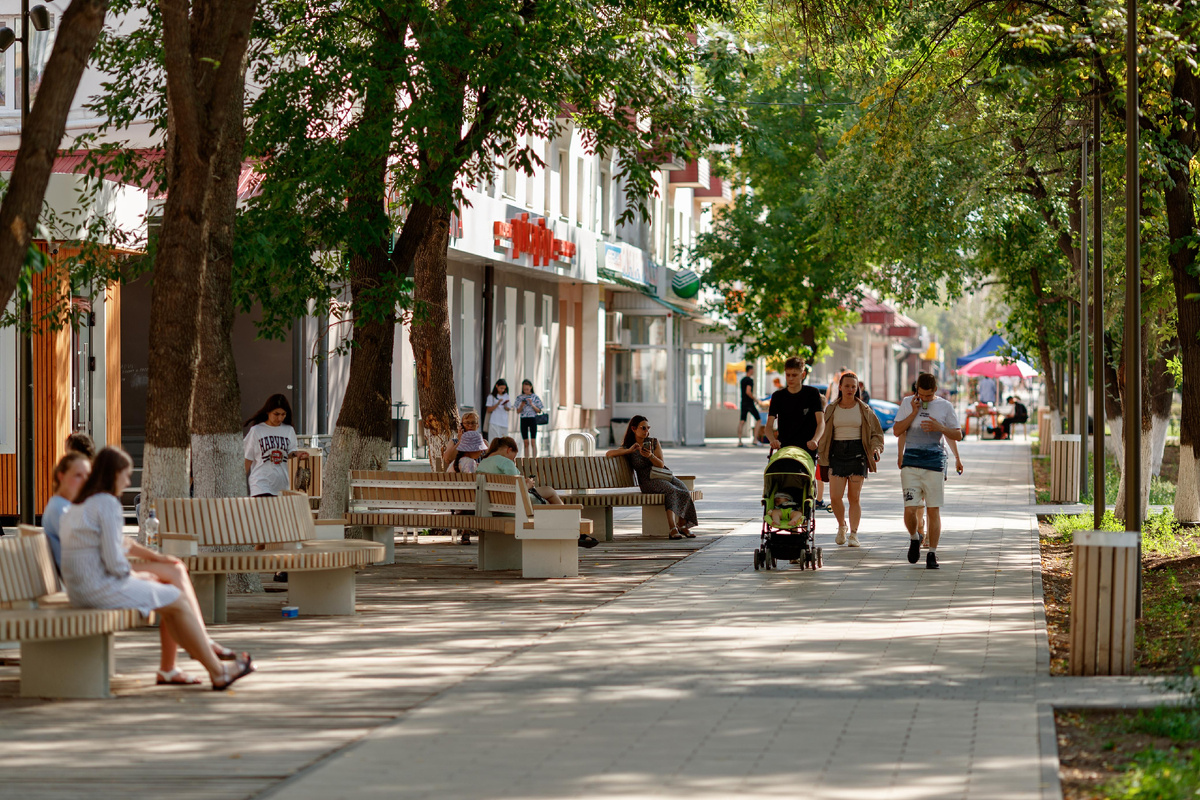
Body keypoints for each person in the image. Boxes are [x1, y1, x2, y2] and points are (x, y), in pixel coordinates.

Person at [59, 447, 255, 689]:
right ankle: (218, 670)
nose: (128, 482)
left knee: (171, 596)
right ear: (114, 474)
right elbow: (115, 563)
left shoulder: (80, 505)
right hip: (98, 589)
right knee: (177, 599)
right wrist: (142, 576)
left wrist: (148, 568)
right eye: (126, 475)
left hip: (81, 590)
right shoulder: (106, 503)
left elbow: (115, 550)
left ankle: (189, 660)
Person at [892, 372, 963, 570]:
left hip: (934, 462)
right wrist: (913, 413)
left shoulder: (945, 406)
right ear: (916, 390)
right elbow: (897, 431)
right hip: (911, 462)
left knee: (933, 509)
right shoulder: (908, 403)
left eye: (928, 396)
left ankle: (932, 552)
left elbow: (958, 434)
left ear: (935, 390)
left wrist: (939, 427)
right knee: (910, 508)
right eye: (921, 395)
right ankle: (914, 537)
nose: (924, 399)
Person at [479, 437, 598, 548]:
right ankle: (575, 531)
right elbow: (516, 490)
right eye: (513, 457)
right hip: (514, 505)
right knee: (549, 497)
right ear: (509, 450)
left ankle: (574, 531)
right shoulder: (505, 462)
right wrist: (528, 485)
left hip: (494, 506)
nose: (513, 460)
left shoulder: (483, 463)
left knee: (549, 493)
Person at [816, 371, 884, 548]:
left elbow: (876, 433)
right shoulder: (831, 408)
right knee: (835, 497)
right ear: (840, 387)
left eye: (854, 386)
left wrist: (876, 448)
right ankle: (842, 526)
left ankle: (854, 534)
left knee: (854, 497)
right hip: (836, 454)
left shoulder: (864, 409)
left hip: (858, 454)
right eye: (846, 386)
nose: (850, 389)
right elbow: (822, 431)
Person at [606, 416, 699, 540]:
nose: (646, 431)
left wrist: (650, 456)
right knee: (671, 490)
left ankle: (682, 525)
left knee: (683, 488)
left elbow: (660, 464)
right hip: (647, 481)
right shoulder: (629, 446)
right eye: (643, 428)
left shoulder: (653, 442)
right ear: (633, 429)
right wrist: (628, 451)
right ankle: (672, 528)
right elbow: (609, 453)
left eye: (648, 428)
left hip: (662, 474)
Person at [766, 357, 827, 510]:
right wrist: (772, 439)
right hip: (785, 449)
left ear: (803, 374)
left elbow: (821, 422)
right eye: (788, 375)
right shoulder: (778, 396)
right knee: (782, 480)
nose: (791, 378)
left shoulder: (812, 394)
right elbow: (768, 425)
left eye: (794, 375)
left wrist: (815, 440)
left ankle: (803, 511)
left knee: (804, 482)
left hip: (807, 448)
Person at [42, 452, 91, 573]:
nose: (85, 481)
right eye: (78, 475)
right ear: (61, 476)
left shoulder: (65, 506)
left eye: (87, 476)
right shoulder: (60, 509)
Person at [243, 394, 298, 498]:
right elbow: (247, 459)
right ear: (268, 411)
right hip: (260, 485)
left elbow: (290, 452)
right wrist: (239, 484)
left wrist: (298, 454)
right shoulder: (256, 431)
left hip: (281, 486)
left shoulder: (289, 430)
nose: (280, 418)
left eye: (283, 414)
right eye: (276, 414)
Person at [514, 380, 545, 458]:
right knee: (526, 442)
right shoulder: (520, 397)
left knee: (533, 441)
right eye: (524, 389)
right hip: (523, 419)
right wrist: (522, 405)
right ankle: (526, 459)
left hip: (532, 419)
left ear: (531, 387)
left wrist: (531, 404)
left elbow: (539, 410)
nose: (526, 391)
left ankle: (534, 459)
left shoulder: (535, 397)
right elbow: (518, 411)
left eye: (527, 389)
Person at [737, 364, 764, 447]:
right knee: (758, 420)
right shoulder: (749, 380)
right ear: (750, 370)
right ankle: (755, 440)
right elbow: (748, 392)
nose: (753, 371)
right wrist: (755, 399)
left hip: (743, 402)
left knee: (742, 421)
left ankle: (740, 441)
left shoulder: (742, 380)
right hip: (749, 403)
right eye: (752, 370)